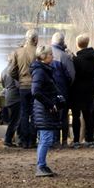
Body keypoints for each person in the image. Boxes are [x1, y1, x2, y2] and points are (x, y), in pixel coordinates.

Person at [30, 45, 63, 177]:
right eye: (50, 54)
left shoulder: (45, 70)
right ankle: (41, 166)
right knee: (46, 138)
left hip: (45, 108)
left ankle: (42, 164)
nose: (52, 56)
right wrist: (49, 104)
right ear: (43, 57)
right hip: (43, 109)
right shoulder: (40, 71)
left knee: (45, 138)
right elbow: (36, 91)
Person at [9, 29, 38, 148]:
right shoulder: (38, 52)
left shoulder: (18, 52)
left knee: (24, 114)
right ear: (35, 40)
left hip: (23, 87)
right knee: (35, 113)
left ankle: (24, 141)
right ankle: (32, 140)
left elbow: (11, 71)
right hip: (36, 87)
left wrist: (20, 78)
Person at [70, 33, 94, 146]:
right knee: (88, 114)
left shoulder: (77, 59)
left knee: (76, 115)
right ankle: (89, 139)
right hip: (89, 88)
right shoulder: (93, 57)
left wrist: (72, 58)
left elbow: (74, 74)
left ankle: (76, 140)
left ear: (77, 44)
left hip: (77, 89)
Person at [51, 32, 75, 146]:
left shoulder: (45, 54)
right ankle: (64, 140)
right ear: (63, 42)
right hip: (63, 90)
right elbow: (72, 75)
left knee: (52, 115)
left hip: (50, 91)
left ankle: (54, 140)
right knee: (64, 116)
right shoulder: (64, 56)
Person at [0, 54, 21, 147]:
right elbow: (18, 85)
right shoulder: (14, 71)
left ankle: (9, 139)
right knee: (15, 119)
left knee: (13, 119)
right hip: (16, 97)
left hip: (8, 96)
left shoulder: (3, 71)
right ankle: (8, 139)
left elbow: (3, 85)